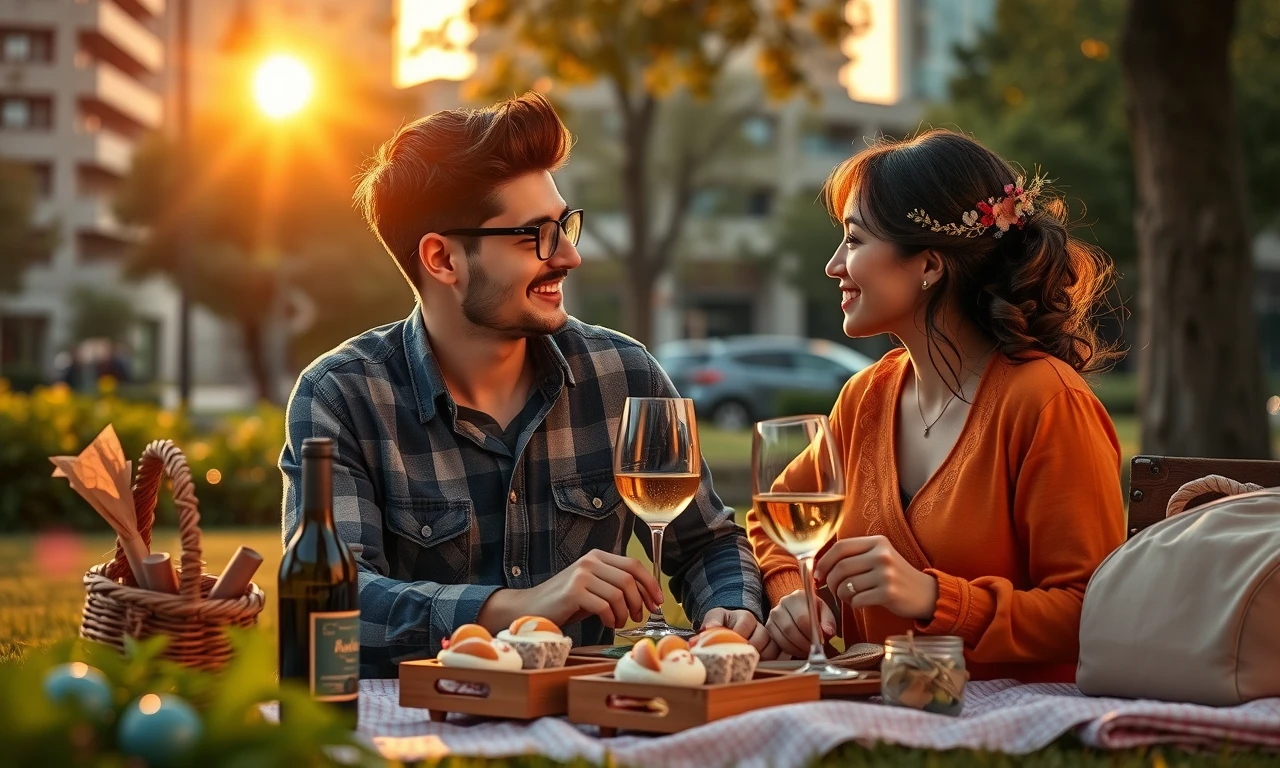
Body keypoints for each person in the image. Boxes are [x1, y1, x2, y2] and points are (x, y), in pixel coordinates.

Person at [280, 93, 765, 678]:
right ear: (442, 259)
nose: (569, 256)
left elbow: (709, 542)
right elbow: (331, 599)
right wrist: (514, 609)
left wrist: (730, 609)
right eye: (535, 235)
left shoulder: (624, 375)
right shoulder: (342, 396)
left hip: (596, 728)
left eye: (565, 226)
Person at [748, 130, 1126, 683]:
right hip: (881, 719)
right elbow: (772, 519)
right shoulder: (865, 399)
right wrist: (795, 594)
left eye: (853, 240)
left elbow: (1093, 610)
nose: (833, 265)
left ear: (928, 265)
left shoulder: (1046, 402)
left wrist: (935, 598)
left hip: (1018, 726)